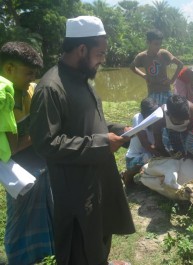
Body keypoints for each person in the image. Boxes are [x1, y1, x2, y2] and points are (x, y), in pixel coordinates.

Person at [29, 16, 135, 265]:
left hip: (98, 177)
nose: (103, 59)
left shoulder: (83, 80)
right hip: (75, 189)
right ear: (82, 49)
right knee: (80, 247)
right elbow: (46, 143)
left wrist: (121, 130)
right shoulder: (51, 88)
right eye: (100, 53)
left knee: (100, 235)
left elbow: (89, 125)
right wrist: (101, 143)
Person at [0, 41, 54, 265]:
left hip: (39, 163)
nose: (32, 78)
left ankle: (43, 254)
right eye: (28, 73)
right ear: (9, 69)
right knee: (20, 217)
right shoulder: (4, 97)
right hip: (17, 172)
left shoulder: (30, 90)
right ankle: (18, 259)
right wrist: (42, 133)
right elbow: (12, 148)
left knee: (46, 210)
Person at [130, 29, 183, 105]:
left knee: (167, 114)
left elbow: (180, 65)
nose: (158, 47)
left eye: (160, 44)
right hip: (152, 92)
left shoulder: (164, 53)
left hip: (165, 90)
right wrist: (144, 76)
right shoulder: (142, 56)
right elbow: (132, 67)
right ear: (148, 42)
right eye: (156, 44)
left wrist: (171, 81)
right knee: (155, 115)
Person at [123, 97, 160, 185]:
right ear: (144, 113)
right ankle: (127, 174)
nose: (153, 116)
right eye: (150, 114)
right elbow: (145, 144)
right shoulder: (138, 117)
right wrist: (161, 154)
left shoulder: (158, 117)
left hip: (150, 154)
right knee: (148, 157)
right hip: (134, 158)